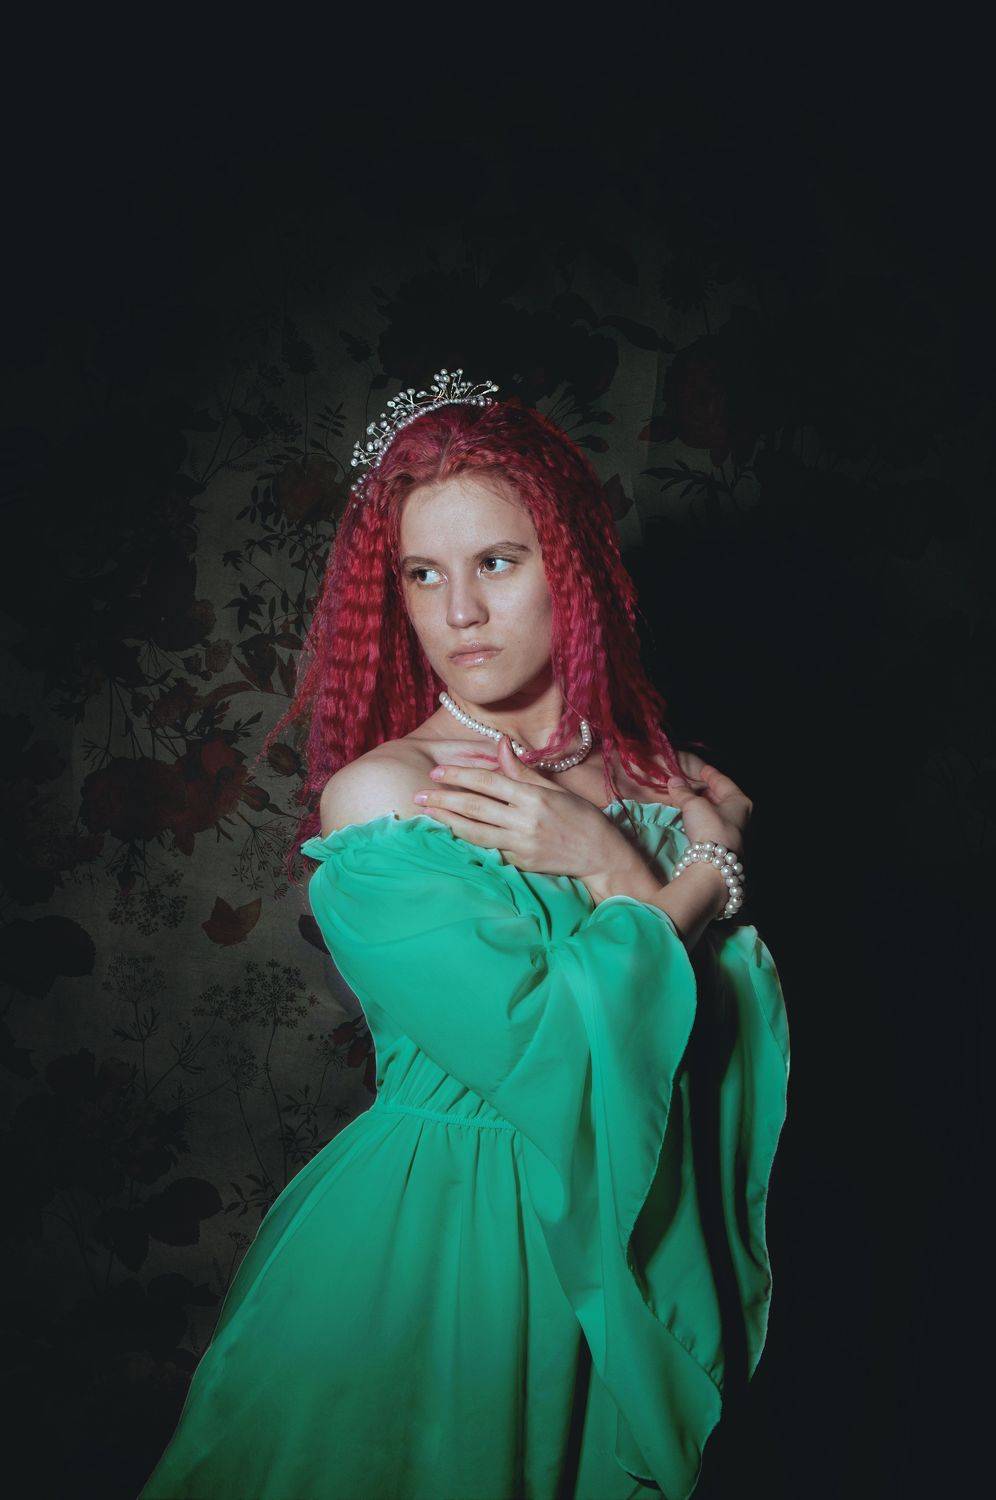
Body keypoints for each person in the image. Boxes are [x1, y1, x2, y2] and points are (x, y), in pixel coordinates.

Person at [137, 372, 790, 1500]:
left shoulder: (664, 777)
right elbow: (548, 1045)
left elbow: (722, 1042)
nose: (460, 614)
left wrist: (629, 863)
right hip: (454, 1248)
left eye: (496, 561)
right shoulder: (388, 799)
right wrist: (682, 879)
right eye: (423, 575)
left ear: (569, 566)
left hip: (639, 1221)